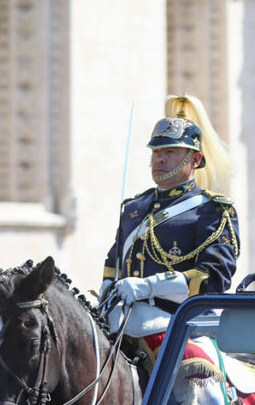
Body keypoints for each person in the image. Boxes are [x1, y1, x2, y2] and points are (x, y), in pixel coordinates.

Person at [102, 94, 239, 364]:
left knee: (203, 387)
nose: (159, 159)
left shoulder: (211, 211)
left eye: (170, 152)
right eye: (156, 152)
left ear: (195, 159)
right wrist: (108, 290)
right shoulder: (134, 208)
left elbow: (214, 277)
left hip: (180, 325)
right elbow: (113, 261)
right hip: (122, 321)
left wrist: (148, 287)